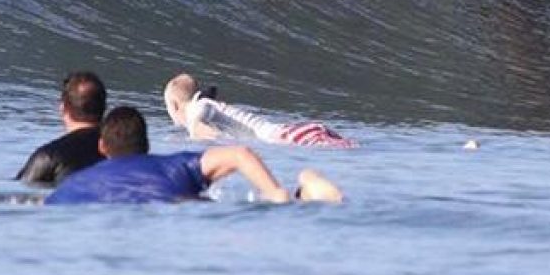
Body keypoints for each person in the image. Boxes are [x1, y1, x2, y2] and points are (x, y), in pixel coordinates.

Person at [45, 106, 343, 205]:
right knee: (304, 184)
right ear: (146, 144)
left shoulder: (74, 186)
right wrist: (276, 194)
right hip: (181, 204)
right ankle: (304, 188)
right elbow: (240, 154)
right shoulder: (173, 166)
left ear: (102, 148)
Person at [163, 73, 356, 148]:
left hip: (288, 135)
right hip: (300, 130)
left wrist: (201, 136)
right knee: (350, 147)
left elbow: (199, 124)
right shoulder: (206, 104)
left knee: (347, 148)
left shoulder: (199, 106)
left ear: (174, 105)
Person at [15, 71, 107, 185]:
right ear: (104, 108)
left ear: (63, 108)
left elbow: (20, 189)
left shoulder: (49, 155)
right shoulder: (125, 148)